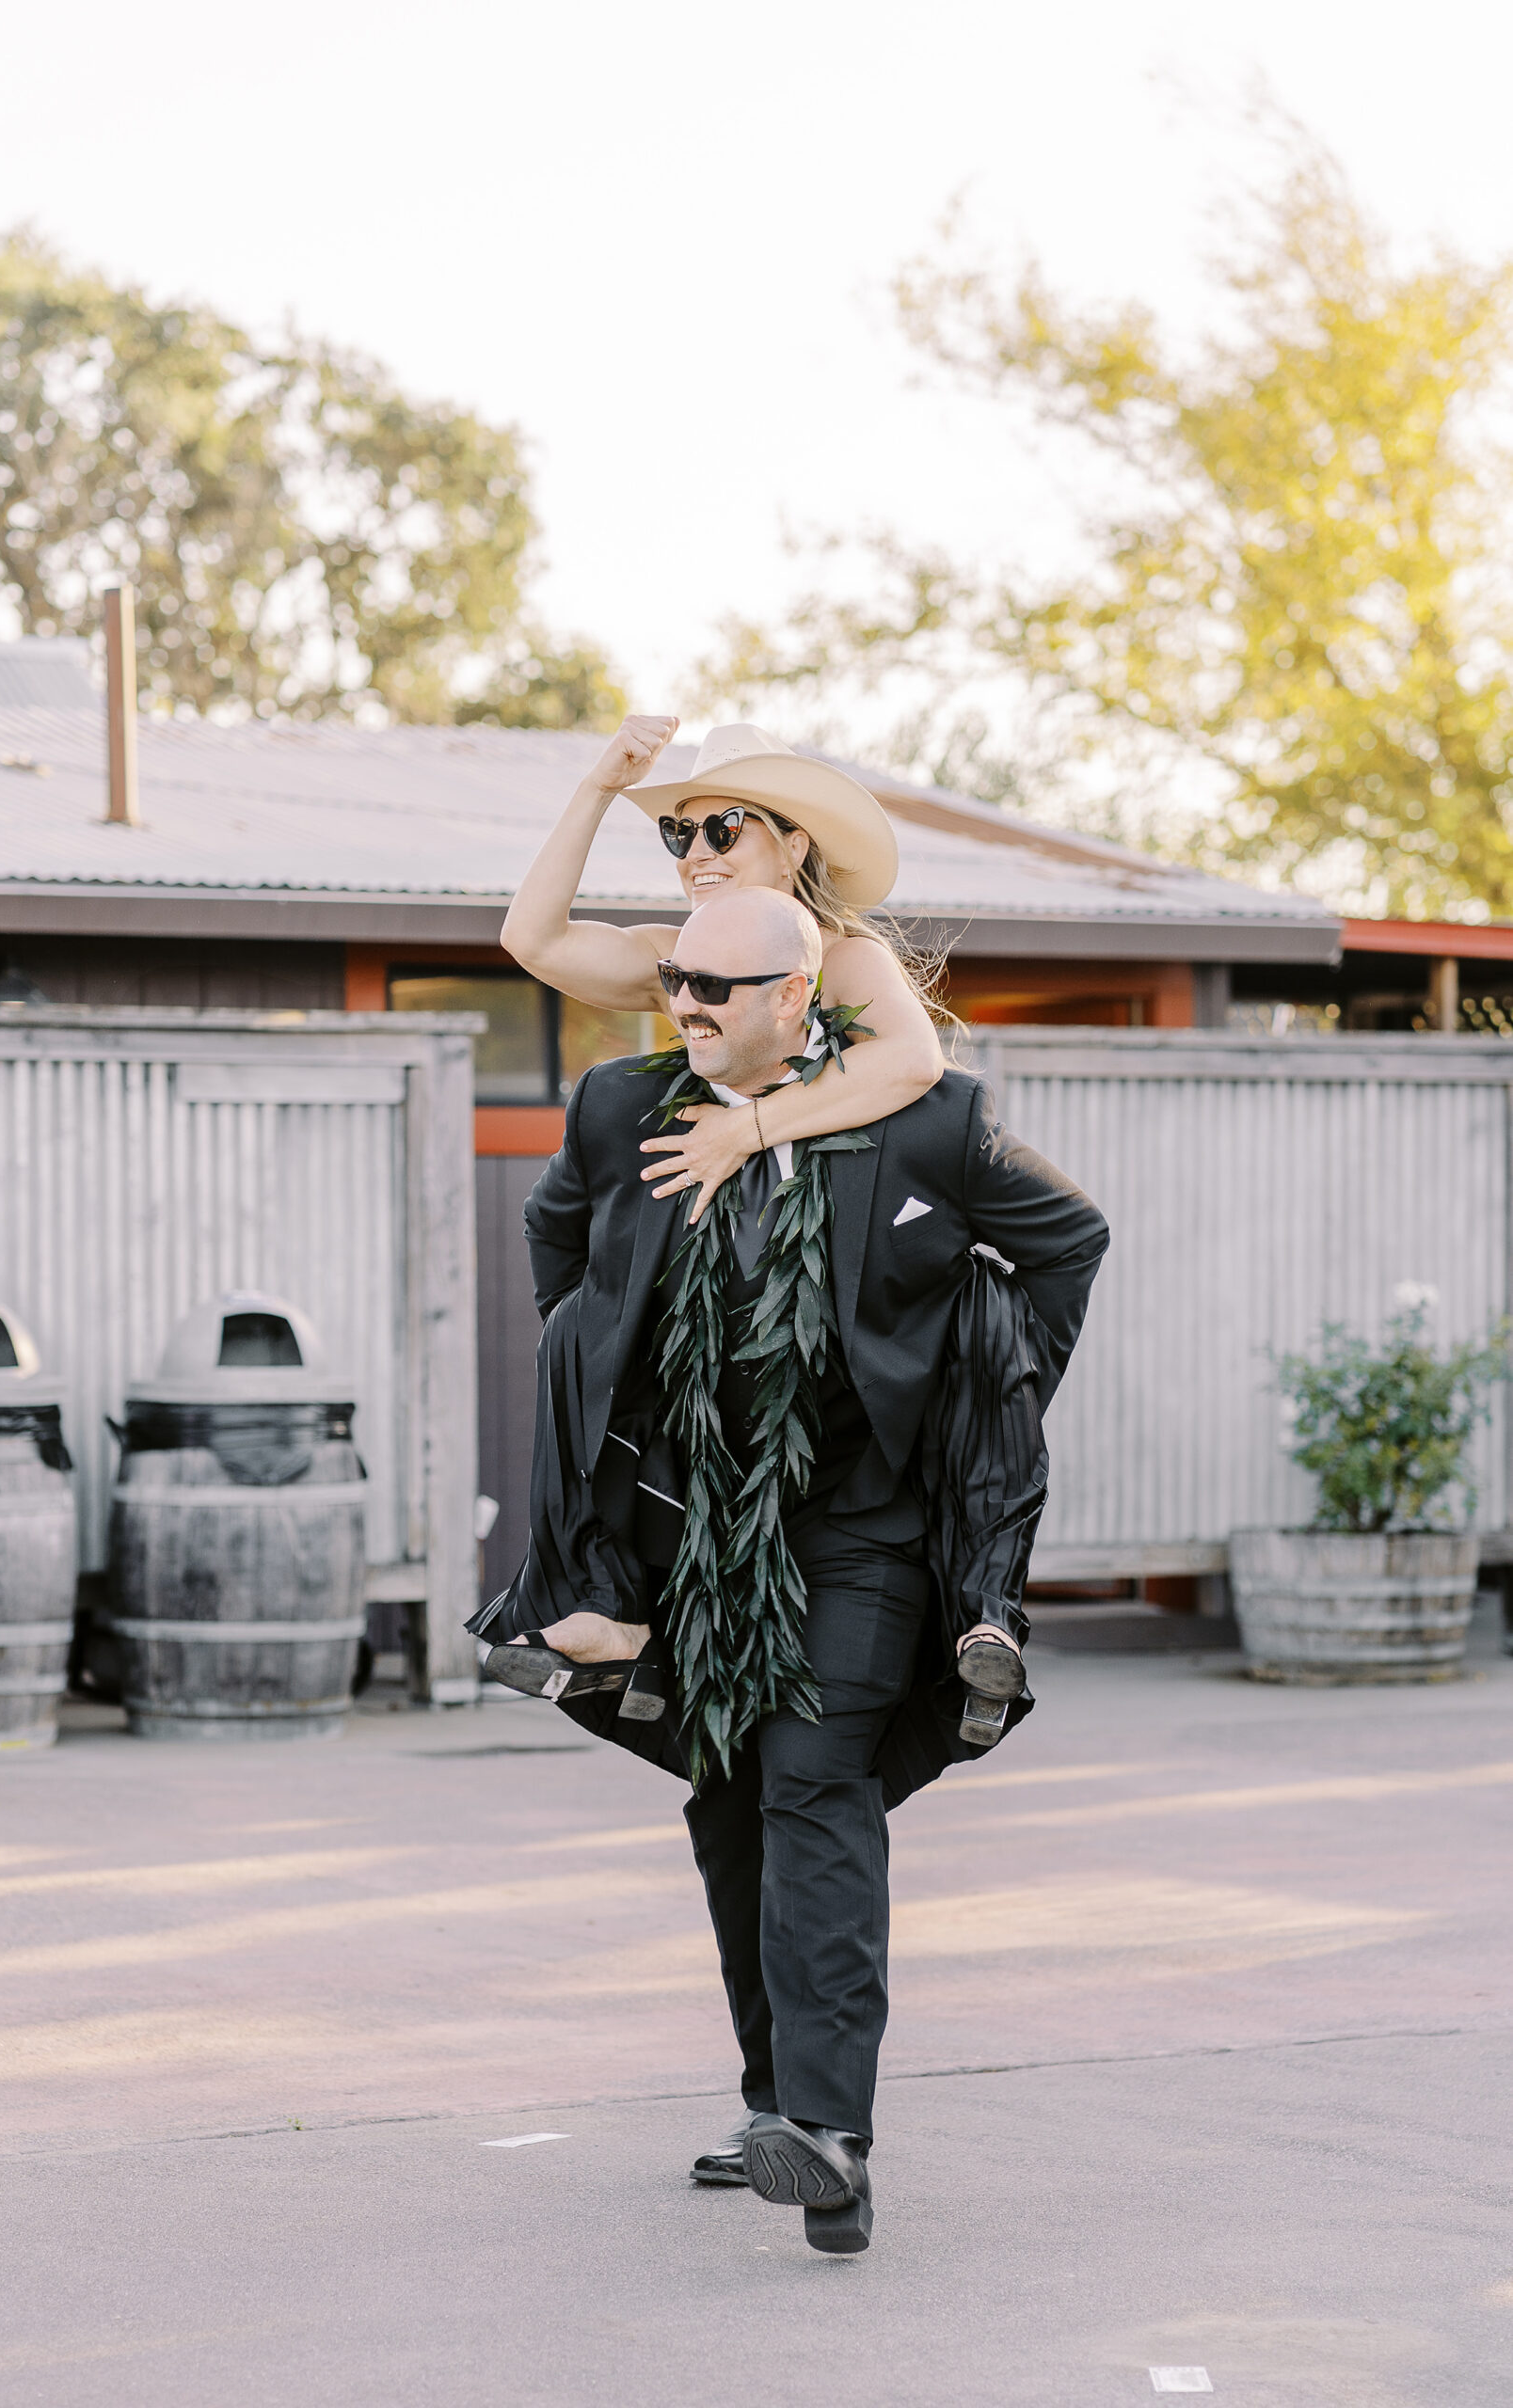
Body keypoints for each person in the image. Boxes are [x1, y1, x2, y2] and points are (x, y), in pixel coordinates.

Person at [469, 879, 1109, 2258]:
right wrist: (597, 1365)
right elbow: (556, 1238)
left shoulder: (927, 1120)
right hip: (695, 1528)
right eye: (674, 980)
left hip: (863, 1525)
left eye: (713, 986)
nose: (681, 1004)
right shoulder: (619, 1110)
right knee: (729, 1794)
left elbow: (1066, 1242)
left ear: (792, 1001)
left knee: (813, 1778)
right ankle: (776, 2104)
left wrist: (976, 1392)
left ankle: (829, 2133)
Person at [501, 715, 948, 1228]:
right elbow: (532, 940)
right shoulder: (677, 961)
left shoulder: (846, 959)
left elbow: (913, 1059)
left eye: (724, 829)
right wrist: (598, 788)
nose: (695, 853)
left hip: (848, 1242)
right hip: (727, 1242)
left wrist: (742, 1131)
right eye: (680, 833)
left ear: (792, 850)